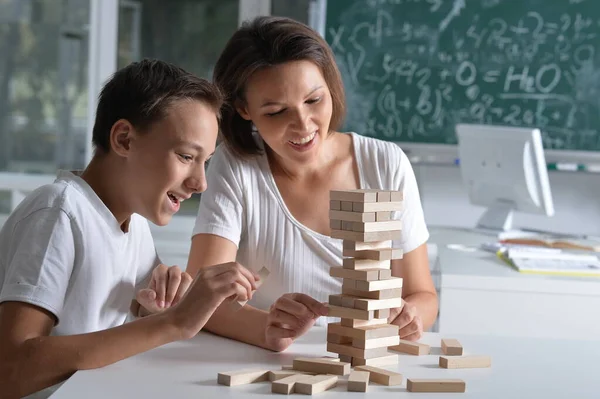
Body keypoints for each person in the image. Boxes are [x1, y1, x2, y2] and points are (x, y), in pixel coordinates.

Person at [0, 59, 259, 399]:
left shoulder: (132, 222)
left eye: (204, 162)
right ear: (124, 139)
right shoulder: (58, 213)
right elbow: (10, 371)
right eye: (185, 156)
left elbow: (139, 303)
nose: (200, 183)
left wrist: (158, 301)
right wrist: (173, 322)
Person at [187, 16, 438, 353]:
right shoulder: (235, 167)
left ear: (330, 86)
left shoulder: (386, 163)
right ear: (245, 109)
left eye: (314, 100)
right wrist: (268, 328)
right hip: (271, 367)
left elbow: (423, 296)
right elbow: (200, 299)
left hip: (368, 366)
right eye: (276, 111)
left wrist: (411, 317)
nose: (303, 125)